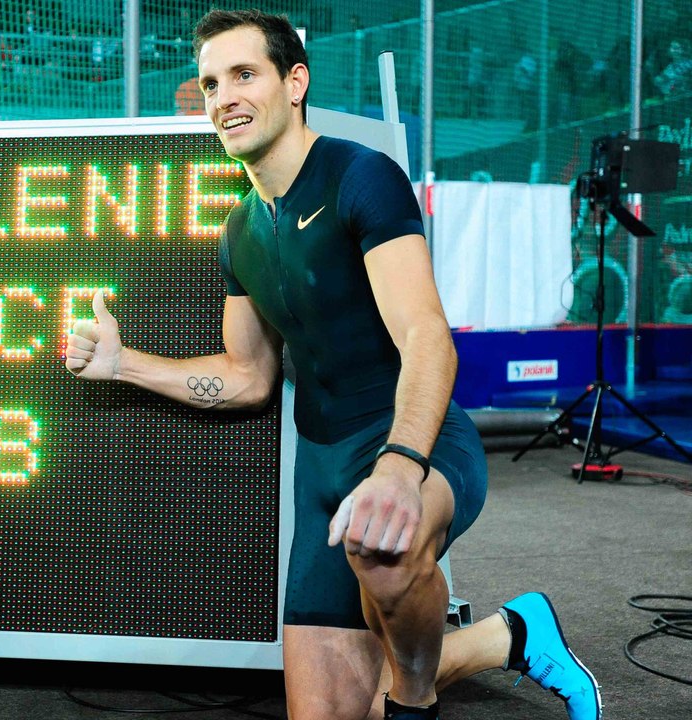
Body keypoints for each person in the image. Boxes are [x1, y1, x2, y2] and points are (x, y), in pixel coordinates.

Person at [65, 11, 601, 720]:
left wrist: (397, 467)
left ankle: (415, 697)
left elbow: (428, 336)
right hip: (322, 473)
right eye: (211, 82)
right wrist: (122, 363)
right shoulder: (240, 232)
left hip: (418, 443)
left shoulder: (361, 177)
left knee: (388, 556)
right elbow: (248, 378)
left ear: (295, 83)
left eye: (244, 74)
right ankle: (513, 634)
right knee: (334, 713)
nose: (224, 96)